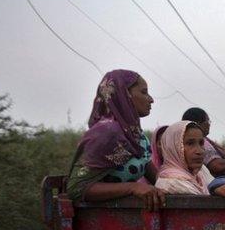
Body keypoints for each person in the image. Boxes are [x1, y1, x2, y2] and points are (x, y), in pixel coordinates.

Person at [66, 69, 165, 211]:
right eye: (144, 92)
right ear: (124, 95)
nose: (151, 99)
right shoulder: (106, 134)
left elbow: (155, 177)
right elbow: (77, 188)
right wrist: (133, 187)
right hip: (102, 221)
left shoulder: (135, 135)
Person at [182, 107, 225, 177]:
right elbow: (217, 166)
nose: (199, 151)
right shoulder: (203, 142)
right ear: (199, 123)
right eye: (208, 121)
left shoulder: (207, 141)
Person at [155, 121, 214, 194]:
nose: (199, 151)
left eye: (201, 143)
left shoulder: (198, 175)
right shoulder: (173, 182)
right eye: (190, 143)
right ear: (173, 148)